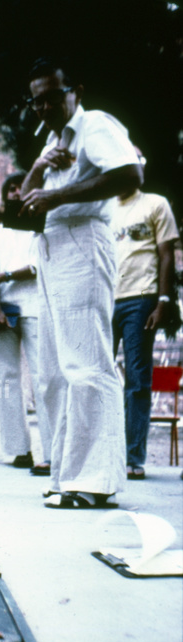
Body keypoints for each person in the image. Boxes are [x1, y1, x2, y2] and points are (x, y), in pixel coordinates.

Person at [20, 58, 142, 509]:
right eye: (37, 101)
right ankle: (68, 475)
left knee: (88, 363)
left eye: (53, 97)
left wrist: (57, 195)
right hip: (51, 249)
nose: (45, 107)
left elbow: (129, 174)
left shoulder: (95, 125)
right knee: (55, 371)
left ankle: (94, 481)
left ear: (76, 92)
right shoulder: (52, 143)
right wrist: (39, 169)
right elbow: (24, 205)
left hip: (82, 241)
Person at [0, 172, 52, 475]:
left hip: (35, 306)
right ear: (5, 195)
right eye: (11, 188)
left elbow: (36, 268)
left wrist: (7, 276)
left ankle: (51, 452)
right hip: (5, 309)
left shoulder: (40, 228)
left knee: (42, 375)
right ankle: (19, 449)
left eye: (21, 188)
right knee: (8, 378)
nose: (16, 193)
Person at [112, 162, 180, 480]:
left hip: (141, 299)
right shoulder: (102, 209)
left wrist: (163, 301)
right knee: (97, 375)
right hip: (104, 298)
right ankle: (103, 455)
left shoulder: (155, 203)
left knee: (137, 379)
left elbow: (166, 255)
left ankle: (133, 457)